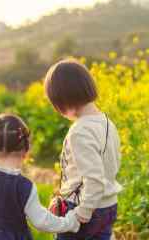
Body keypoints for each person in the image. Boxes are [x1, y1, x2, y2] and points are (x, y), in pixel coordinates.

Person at [44, 59, 122, 240]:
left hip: (86, 209)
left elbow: (94, 179)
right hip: (108, 205)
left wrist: (81, 214)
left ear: (62, 99)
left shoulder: (80, 131)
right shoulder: (107, 122)